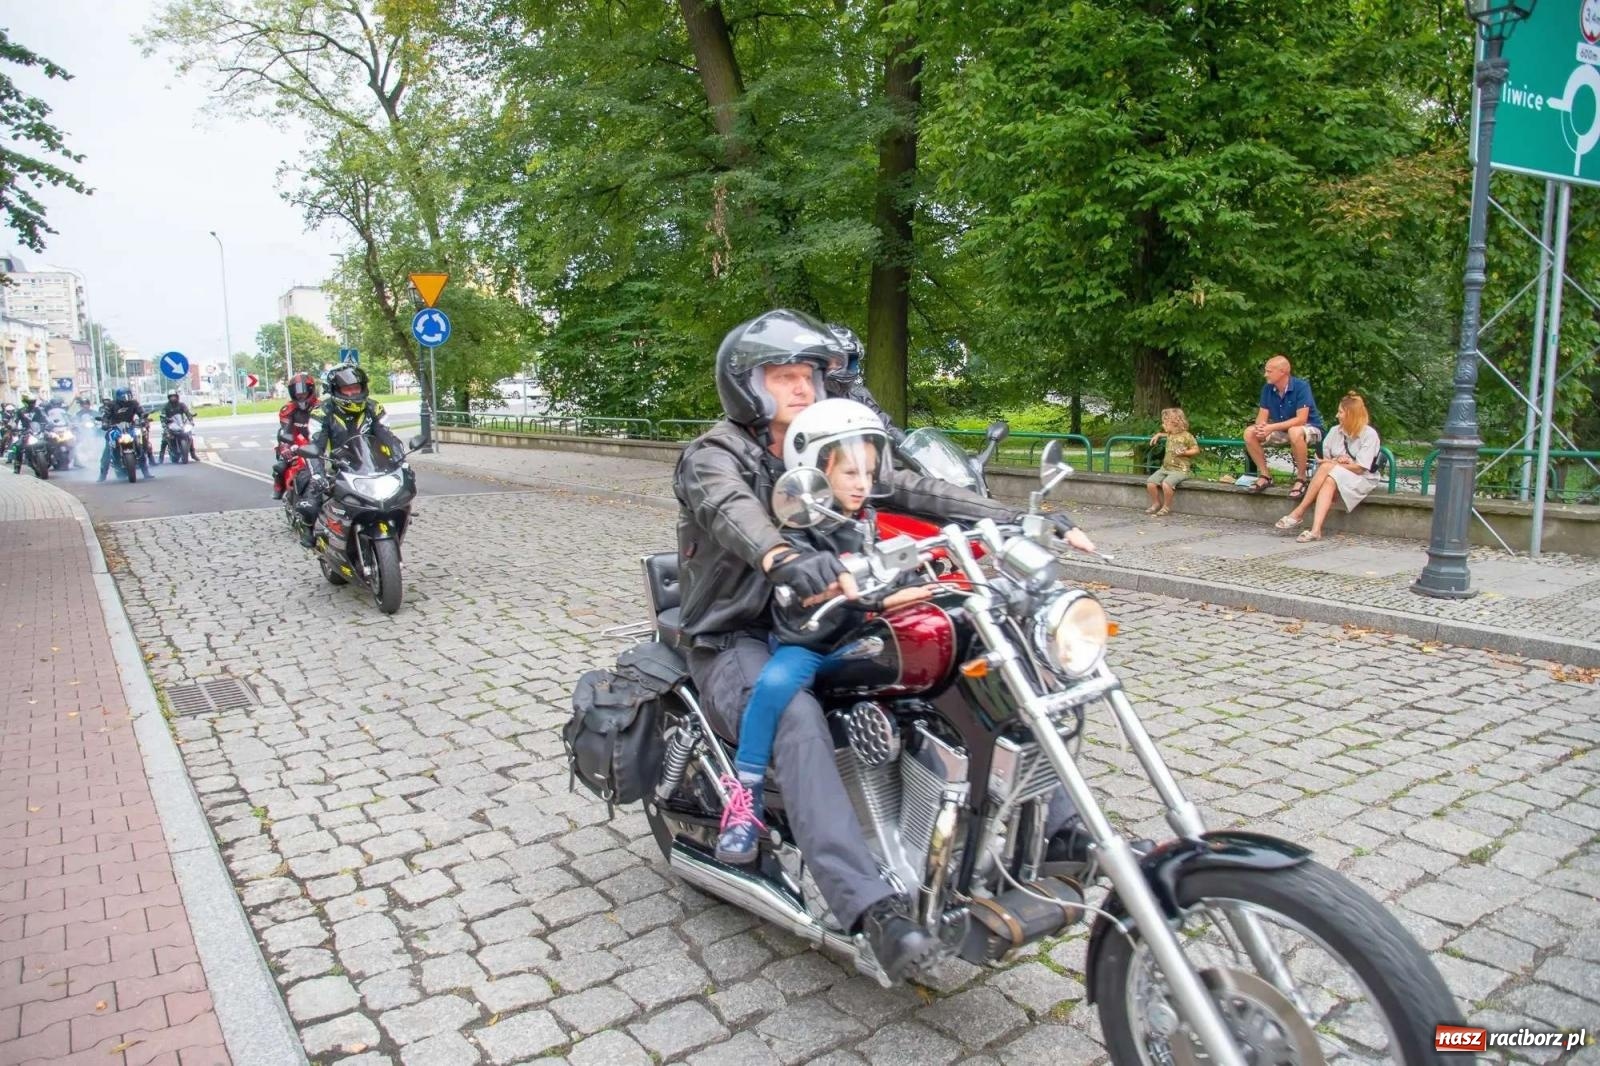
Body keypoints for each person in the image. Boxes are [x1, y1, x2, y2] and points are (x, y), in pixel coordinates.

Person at [674, 308, 1098, 982]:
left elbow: (911, 485)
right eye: (783, 377)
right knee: (795, 715)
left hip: (835, 612)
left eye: (809, 376)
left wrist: (1014, 518)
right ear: (747, 385)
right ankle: (870, 906)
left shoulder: (829, 443)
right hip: (742, 631)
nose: (802, 389)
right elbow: (732, 509)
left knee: (982, 656)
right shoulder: (715, 453)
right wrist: (781, 557)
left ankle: (1061, 824)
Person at [714, 399, 934, 865]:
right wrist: (856, 590)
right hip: (812, 641)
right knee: (773, 686)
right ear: (816, 471)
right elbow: (800, 599)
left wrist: (919, 574)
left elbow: (894, 566)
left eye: (869, 474)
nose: (863, 484)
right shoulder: (797, 526)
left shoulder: (866, 519)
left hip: (863, 634)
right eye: (851, 473)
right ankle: (746, 789)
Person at [296, 366, 388, 547]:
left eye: (356, 387)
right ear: (335, 390)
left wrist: (401, 462)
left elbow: (388, 438)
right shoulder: (321, 412)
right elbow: (316, 446)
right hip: (335, 466)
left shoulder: (374, 408)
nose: (353, 392)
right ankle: (307, 526)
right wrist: (317, 475)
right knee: (311, 501)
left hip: (370, 466)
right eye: (347, 388)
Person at [1274, 392, 1382, 542]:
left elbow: (1360, 468)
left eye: (1341, 412)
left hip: (1361, 478)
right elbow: (1323, 458)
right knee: (1329, 478)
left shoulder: (1369, 435)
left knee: (1327, 469)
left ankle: (1299, 511)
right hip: (1334, 475)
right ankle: (1316, 530)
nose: (1337, 415)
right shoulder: (1334, 431)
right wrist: (1337, 460)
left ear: (1351, 414)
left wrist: (1336, 463)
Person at [1242, 354, 1323, 499]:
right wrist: (1260, 429)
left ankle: (1301, 479)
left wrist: (1271, 428)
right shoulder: (1267, 389)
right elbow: (1262, 417)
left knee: (1295, 431)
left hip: (1309, 428)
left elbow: (1301, 419)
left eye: (1269, 371)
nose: (1265, 374)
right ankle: (1265, 475)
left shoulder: (1301, 387)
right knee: (1249, 433)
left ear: (1283, 372)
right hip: (1282, 430)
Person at [273, 373, 320, 499]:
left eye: (304, 393)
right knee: (280, 466)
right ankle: (278, 487)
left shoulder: (322, 407)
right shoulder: (288, 409)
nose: (301, 396)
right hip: (295, 442)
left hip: (319, 443)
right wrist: (285, 446)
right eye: (298, 394)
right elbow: (285, 430)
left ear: (311, 391)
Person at [1145, 407, 1199, 516]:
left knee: (1166, 484)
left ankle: (1166, 506)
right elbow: (1166, 434)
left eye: (1165, 422)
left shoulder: (1187, 436)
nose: (1163, 425)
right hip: (1165, 468)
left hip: (1180, 470)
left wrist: (1184, 453)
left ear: (1175, 423)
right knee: (1150, 482)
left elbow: (1196, 449)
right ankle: (1156, 503)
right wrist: (1158, 434)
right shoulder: (1170, 434)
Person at [97, 387, 152, 481]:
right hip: (115, 428)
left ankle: (146, 472)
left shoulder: (134, 403)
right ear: (119, 396)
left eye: (129, 395)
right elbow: (106, 415)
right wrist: (105, 423)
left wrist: (143, 418)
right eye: (125, 396)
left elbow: (140, 412)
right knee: (107, 450)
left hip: (130, 427)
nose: (127, 398)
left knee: (139, 445)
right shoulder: (111, 405)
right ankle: (102, 475)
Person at [159, 391, 197, 462]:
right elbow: (162, 416)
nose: (173, 398)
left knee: (190, 436)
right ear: (169, 398)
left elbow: (187, 413)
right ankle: (161, 458)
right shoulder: (166, 406)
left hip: (180, 424)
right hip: (170, 424)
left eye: (174, 396)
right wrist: (164, 421)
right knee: (165, 438)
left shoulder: (181, 405)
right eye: (171, 396)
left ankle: (193, 454)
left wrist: (191, 420)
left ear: (177, 396)